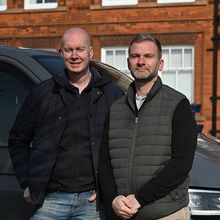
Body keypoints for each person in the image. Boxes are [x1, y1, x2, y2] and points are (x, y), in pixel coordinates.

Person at [8, 27, 124, 220]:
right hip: (50, 200)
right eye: (69, 50)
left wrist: (108, 189)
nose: (75, 56)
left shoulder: (112, 94)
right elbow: (17, 139)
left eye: (80, 49)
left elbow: (123, 146)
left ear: (90, 52)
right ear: (61, 53)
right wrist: (27, 181)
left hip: (93, 202)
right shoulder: (43, 93)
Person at [98, 33, 198, 220]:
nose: (141, 61)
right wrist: (113, 198)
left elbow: (182, 162)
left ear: (160, 64)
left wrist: (140, 198)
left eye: (148, 56)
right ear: (128, 62)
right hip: (121, 214)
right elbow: (104, 161)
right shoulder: (116, 109)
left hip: (165, 213)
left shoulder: (178, 104)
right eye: (136, 56)